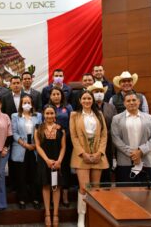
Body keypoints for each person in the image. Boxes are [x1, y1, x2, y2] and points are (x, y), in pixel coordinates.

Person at [69, 90, 108, 227]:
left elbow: (104, 135)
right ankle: (82, 216)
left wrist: (100, 152)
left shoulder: (99, 114)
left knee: (95, 188)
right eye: (84, 98)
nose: (87, 101)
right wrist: (82, 153)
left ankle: (94, 216)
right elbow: (73, 136)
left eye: (89, 98)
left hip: (97, 153)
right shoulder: (74, 115)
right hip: (81, 155)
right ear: (80, 100)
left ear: (92, 100)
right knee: (84, 188)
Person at [111, 92, 151, 185]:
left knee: (147, 193)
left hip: (145, 160)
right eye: (128, 101)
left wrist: (140, 151)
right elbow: (115, 138)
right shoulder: (116, 119)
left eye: (134, 100)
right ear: (124, 103)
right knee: (125, 194)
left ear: (139, 102)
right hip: (125, 162)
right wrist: (133, 154)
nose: (131, 102)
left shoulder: (149, 118)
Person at [35, 105, 66, 227]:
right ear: (43, 114)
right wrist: (47, 160)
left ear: (55, 115)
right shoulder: (38, 128)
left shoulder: (61, 129)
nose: (49, 115)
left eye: (52, 113)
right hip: (44, 161)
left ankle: (56, 214)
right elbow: (37, 146)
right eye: (47, 113)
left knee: (57, 187)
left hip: (57, 161)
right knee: (46, 186)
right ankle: (47, 213)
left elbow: (63, 147)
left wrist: (59, 161)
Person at [11, 95, 42, 210]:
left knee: (34, 175)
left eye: (29, 102)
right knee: (21, 175)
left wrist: (36, 144)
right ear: (21, 104)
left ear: (32, 104)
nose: (27, 104)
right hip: (21, 148)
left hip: (35, 148)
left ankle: (35, 198)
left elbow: (41, 130)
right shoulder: (15, 116)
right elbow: (14, 133)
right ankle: (22, 199)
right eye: (24, 102)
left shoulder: (38, 116)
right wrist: (25, 144)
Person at [47, 87, 73, 208]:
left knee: (65, 168)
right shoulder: (46, 107)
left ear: (62, 95)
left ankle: (65, 194)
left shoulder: (68, 107)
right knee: (53, 167)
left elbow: (71, 125)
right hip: (51, 143)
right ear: (50, 96)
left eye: (58, 94)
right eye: (54, 94)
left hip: (66, 141)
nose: (56, 96)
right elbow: (44, 124)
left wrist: (63, 134)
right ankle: (53, 194)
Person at [88, 81, 117, 183]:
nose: (99, 93)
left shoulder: (111, 107)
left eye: (101, 91)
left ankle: (106, 191)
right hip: (92, 143)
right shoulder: (88, 107)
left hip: (108, 143)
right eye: (96, 91)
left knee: (106, 168)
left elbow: (115, 125)